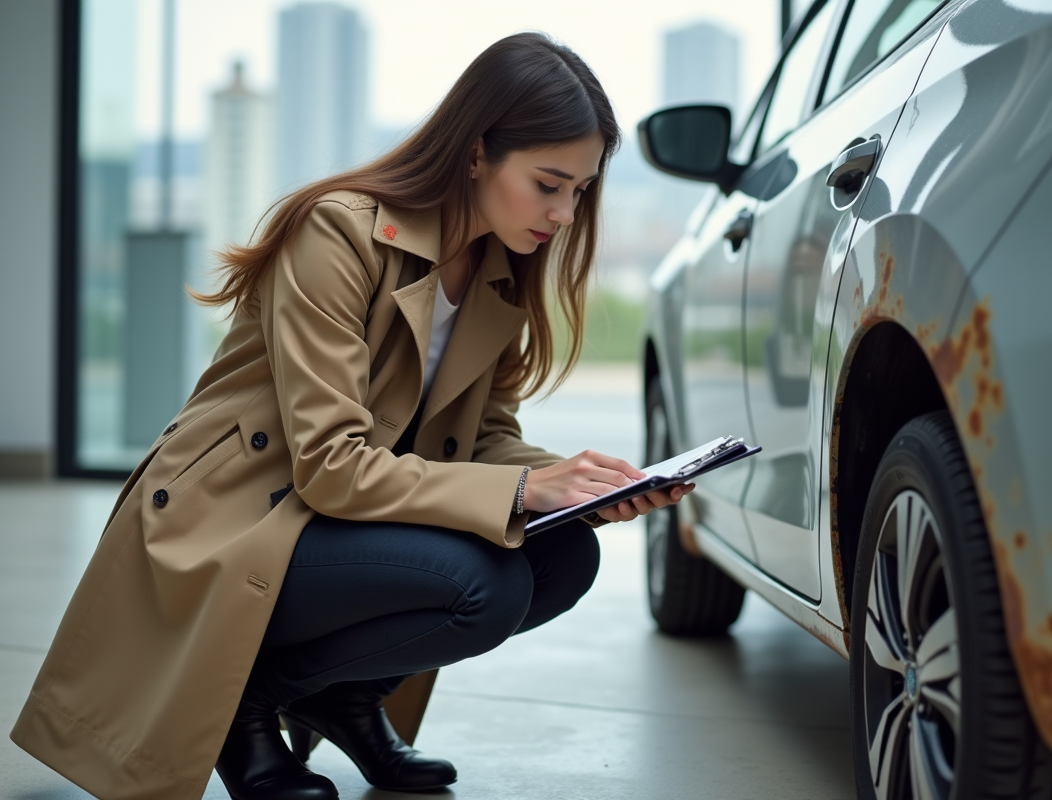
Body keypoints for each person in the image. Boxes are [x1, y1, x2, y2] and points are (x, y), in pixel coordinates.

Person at [11, 32, 693, 800]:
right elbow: (331, 465)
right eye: (548, 184)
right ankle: (247, 703)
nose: (566, 214)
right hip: (241, 515)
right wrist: (522, 491)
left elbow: (487, 436)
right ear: (476, 154)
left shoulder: (502, 273)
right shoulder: (337, 231)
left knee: (565, 556)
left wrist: (576, 485)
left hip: (337, 514)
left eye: (581, 191)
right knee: (486, 587)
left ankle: (342, 695)